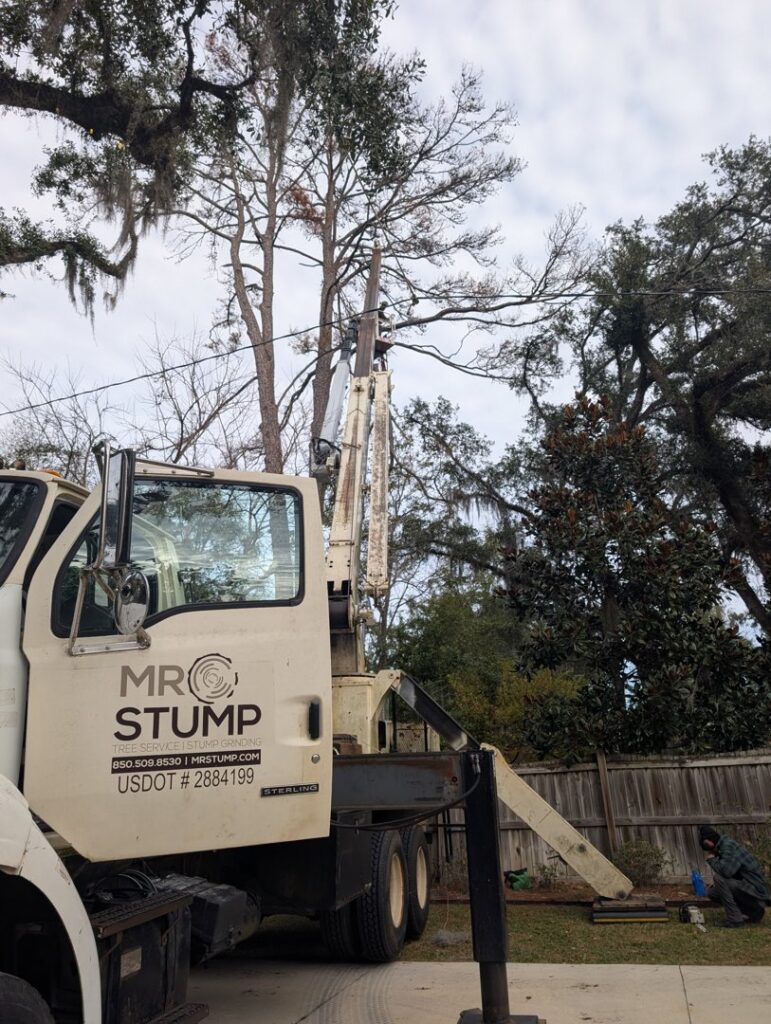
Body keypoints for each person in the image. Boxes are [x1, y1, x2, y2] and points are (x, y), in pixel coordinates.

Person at [699, 825, 770, 928]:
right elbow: (734, 872)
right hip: (747, 887)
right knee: (712, 892)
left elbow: (726, 872)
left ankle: (735, 919)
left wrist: (712, 859)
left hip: (755, 890)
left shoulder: (728, 846)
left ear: (709, 843)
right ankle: (753, 912)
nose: (709, 852)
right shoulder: (724, 846)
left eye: (708, 849)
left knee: (718, 878)